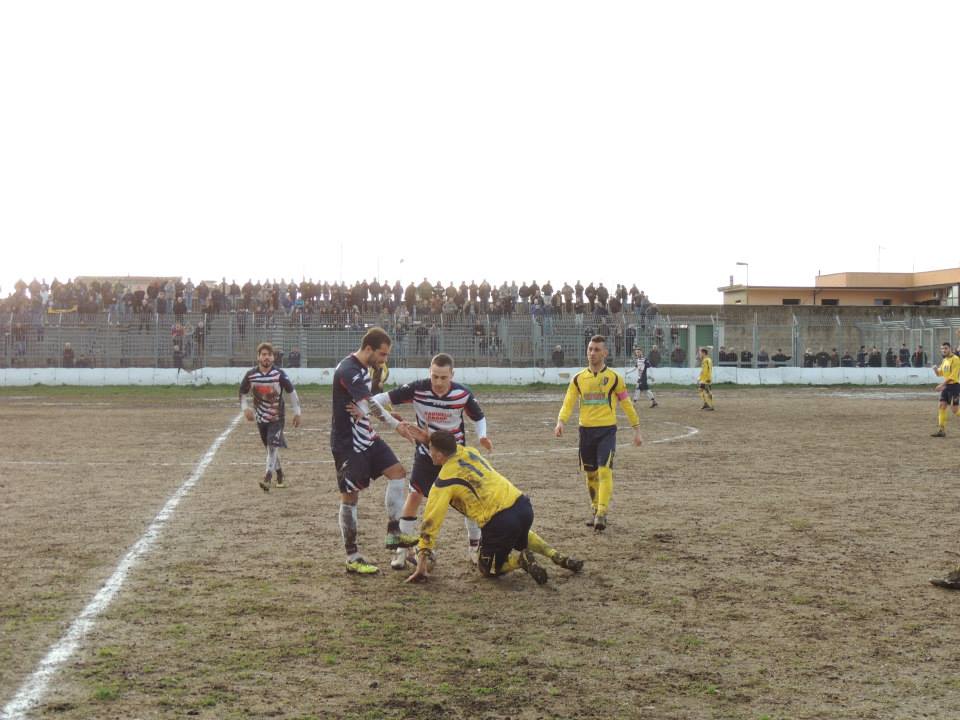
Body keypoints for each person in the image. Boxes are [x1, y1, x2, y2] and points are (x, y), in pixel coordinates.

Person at [405, 431, 583, 585]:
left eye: (431, 449)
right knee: (518, 534)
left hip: (500, 521)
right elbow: (447, 443)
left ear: (438, 455)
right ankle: (557, 556)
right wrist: (429, 438)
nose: (429, 452)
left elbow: (431, 523)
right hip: (523, 506)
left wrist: (421, 563)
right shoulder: (469, 451)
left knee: (486, 569)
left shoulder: (443, 482)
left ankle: (520, 560)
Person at [370, 353, 492, 570]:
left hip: (455, 458)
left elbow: (479, 417)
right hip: (427, 454)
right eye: (434, 376)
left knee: (468, 502)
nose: (438, 382)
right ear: (430, 372)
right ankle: (401, 551)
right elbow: (376, 400)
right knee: (414, 496)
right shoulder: (417, 389)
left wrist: (482, 435)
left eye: (443, 377)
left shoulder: (462, 394)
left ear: (452, 375)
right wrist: (390, 415)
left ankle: (475, 549)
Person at [331, 327, 420, 575]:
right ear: (368, 349)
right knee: (350, 497)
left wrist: (385, 413)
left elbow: (366, 402)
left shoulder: (363, 368)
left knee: (398, 473)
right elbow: (370, 403)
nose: (384, 359)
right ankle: (352, 556)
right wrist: (396, 425)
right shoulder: (348, 370)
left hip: (367, 436)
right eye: (382, 354)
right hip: (348, 444)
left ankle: (394, 532)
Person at [554, 335, 642, 532]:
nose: (592, 353)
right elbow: (568, 402)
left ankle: (602, 513)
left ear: (605, 353)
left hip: (606, 431)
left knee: (604, 470)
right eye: (590, 349)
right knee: (590, 473)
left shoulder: (614, 378)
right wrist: (561, 421)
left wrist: (637, 429)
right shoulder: (578, 379)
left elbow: (626, 404)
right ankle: (595, 510)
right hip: (585, 431)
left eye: (596, 350)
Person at [239, 342, 302, 492]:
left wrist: (297, 412)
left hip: (276, 417)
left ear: (273, 358)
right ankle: (280, 475)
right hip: (261, 418)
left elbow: (291, 392)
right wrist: (245, 408)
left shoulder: (279, 374)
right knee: (270, 448)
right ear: (258, 357)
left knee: (273, 445)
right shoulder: (251, 375)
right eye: (263, 354)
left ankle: (267, 478)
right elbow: (242, 392)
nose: (266, 357)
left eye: (269, 355)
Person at [931, 341, 960, 438]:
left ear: (950, 349)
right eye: (942, 349)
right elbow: (940, 373)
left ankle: (941, 430)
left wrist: (941, 385)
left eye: (946, 348)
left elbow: (953, 377)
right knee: (941, 406)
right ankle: (941, 430)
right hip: (946, 386)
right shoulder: (944, 360)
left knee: (955, 410)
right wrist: (935, 370)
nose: (944, 350)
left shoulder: (956, 359)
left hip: (954, 387)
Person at [698, 346, 715, 411]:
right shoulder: (705, 360)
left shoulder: (707, 360)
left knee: (708, 391)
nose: (700, 354)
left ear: (704, 353)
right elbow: (704, 370)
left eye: (700, 353)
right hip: (704, 379)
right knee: (700, 389)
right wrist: (700, 377)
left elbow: (708, 370)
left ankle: (711, 406)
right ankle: (705, 404)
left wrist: (707, 378)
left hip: (706, 379)